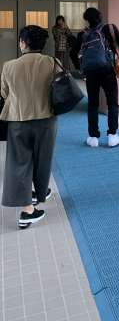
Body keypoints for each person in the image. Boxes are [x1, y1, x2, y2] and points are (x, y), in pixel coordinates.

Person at [1, 26, 57, 229]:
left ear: (23, 43)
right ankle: (39, 193)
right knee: (43, 159)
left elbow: (4, 93)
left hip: (18, 120)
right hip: (46, 119)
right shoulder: (51, 62)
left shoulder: (9, 66)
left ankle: (27, 209)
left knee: (19, 163)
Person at [75, 8, 119, 148]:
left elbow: (74, 52)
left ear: (87, 20)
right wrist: (111, 55)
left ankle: (93, 138)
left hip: (90, 72)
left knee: (93, 104)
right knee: (112, 103)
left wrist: (82, 68)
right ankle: (112, 136)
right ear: (100, 16)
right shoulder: (109, 28)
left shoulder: (83, 34)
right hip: (107, 69)